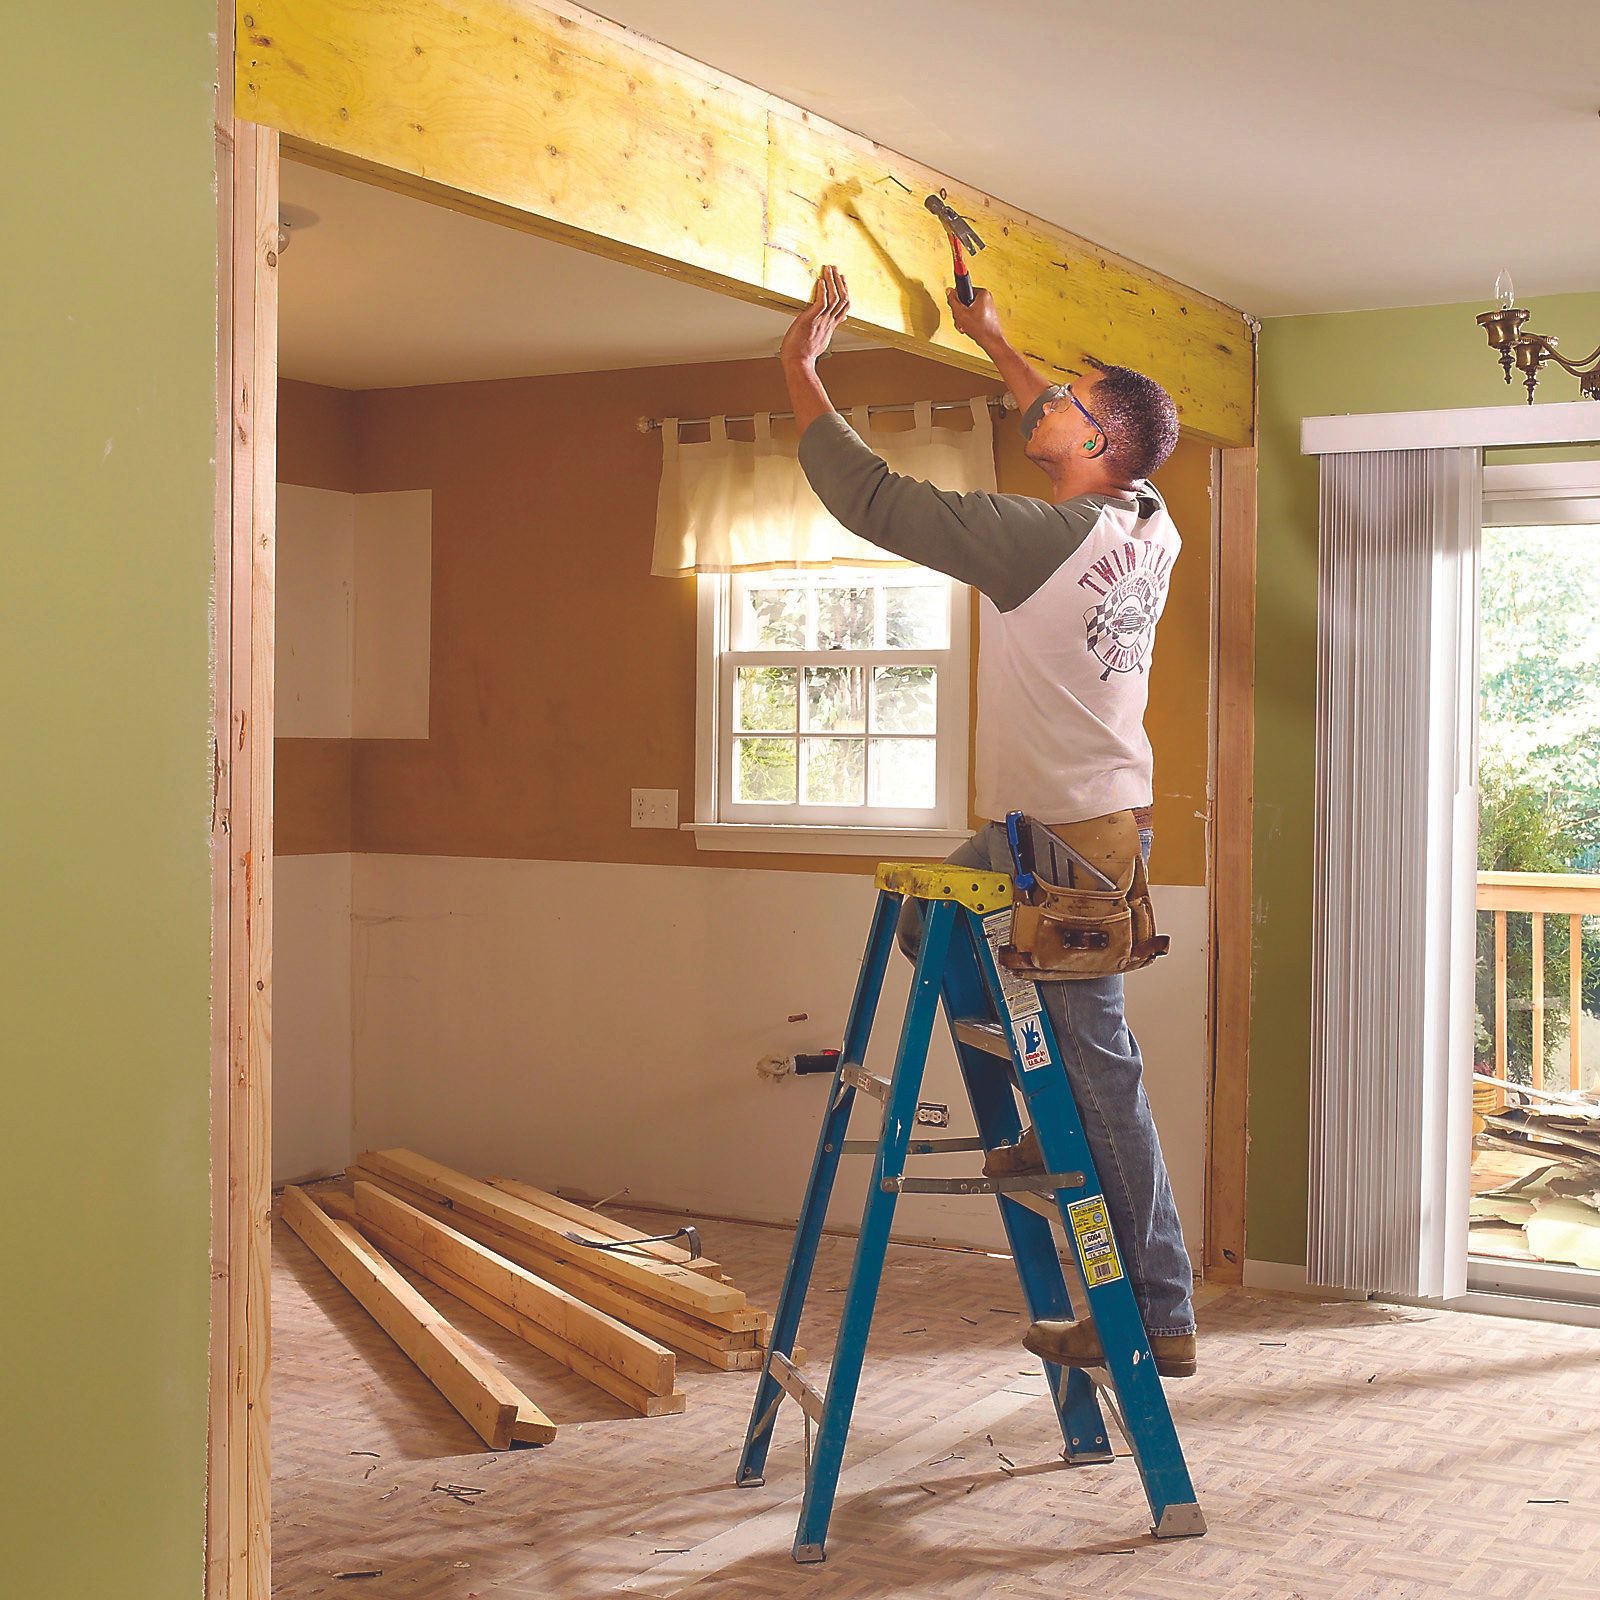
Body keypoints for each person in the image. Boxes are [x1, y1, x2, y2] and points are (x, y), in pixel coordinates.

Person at [779, 265, 1196, 1378]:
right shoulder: (1149, 518)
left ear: (1096, 438)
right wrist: (996, 338)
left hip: (1068, 840)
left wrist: (799, 371)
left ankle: (1155, 1315)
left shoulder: (1034, 544)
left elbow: (872, 498)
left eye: (1065, 395)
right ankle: (1028, 1129)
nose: (1043, 398)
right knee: (932, 927)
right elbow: (1075, 430)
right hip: (1069, 828)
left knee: (1101, 1073)